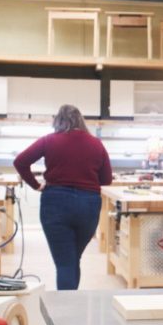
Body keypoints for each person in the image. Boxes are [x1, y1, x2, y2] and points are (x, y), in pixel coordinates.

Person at [14, 104, 112, 290]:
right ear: (81, 121)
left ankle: (66, 306)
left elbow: (20, 162)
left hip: (55, 203)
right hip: (88, 205)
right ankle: (71, 302)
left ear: (58, 121)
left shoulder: (49, 140)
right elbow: (106, 179)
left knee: (65, 262)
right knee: (73, 259)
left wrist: (36, 185)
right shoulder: (96, 144)